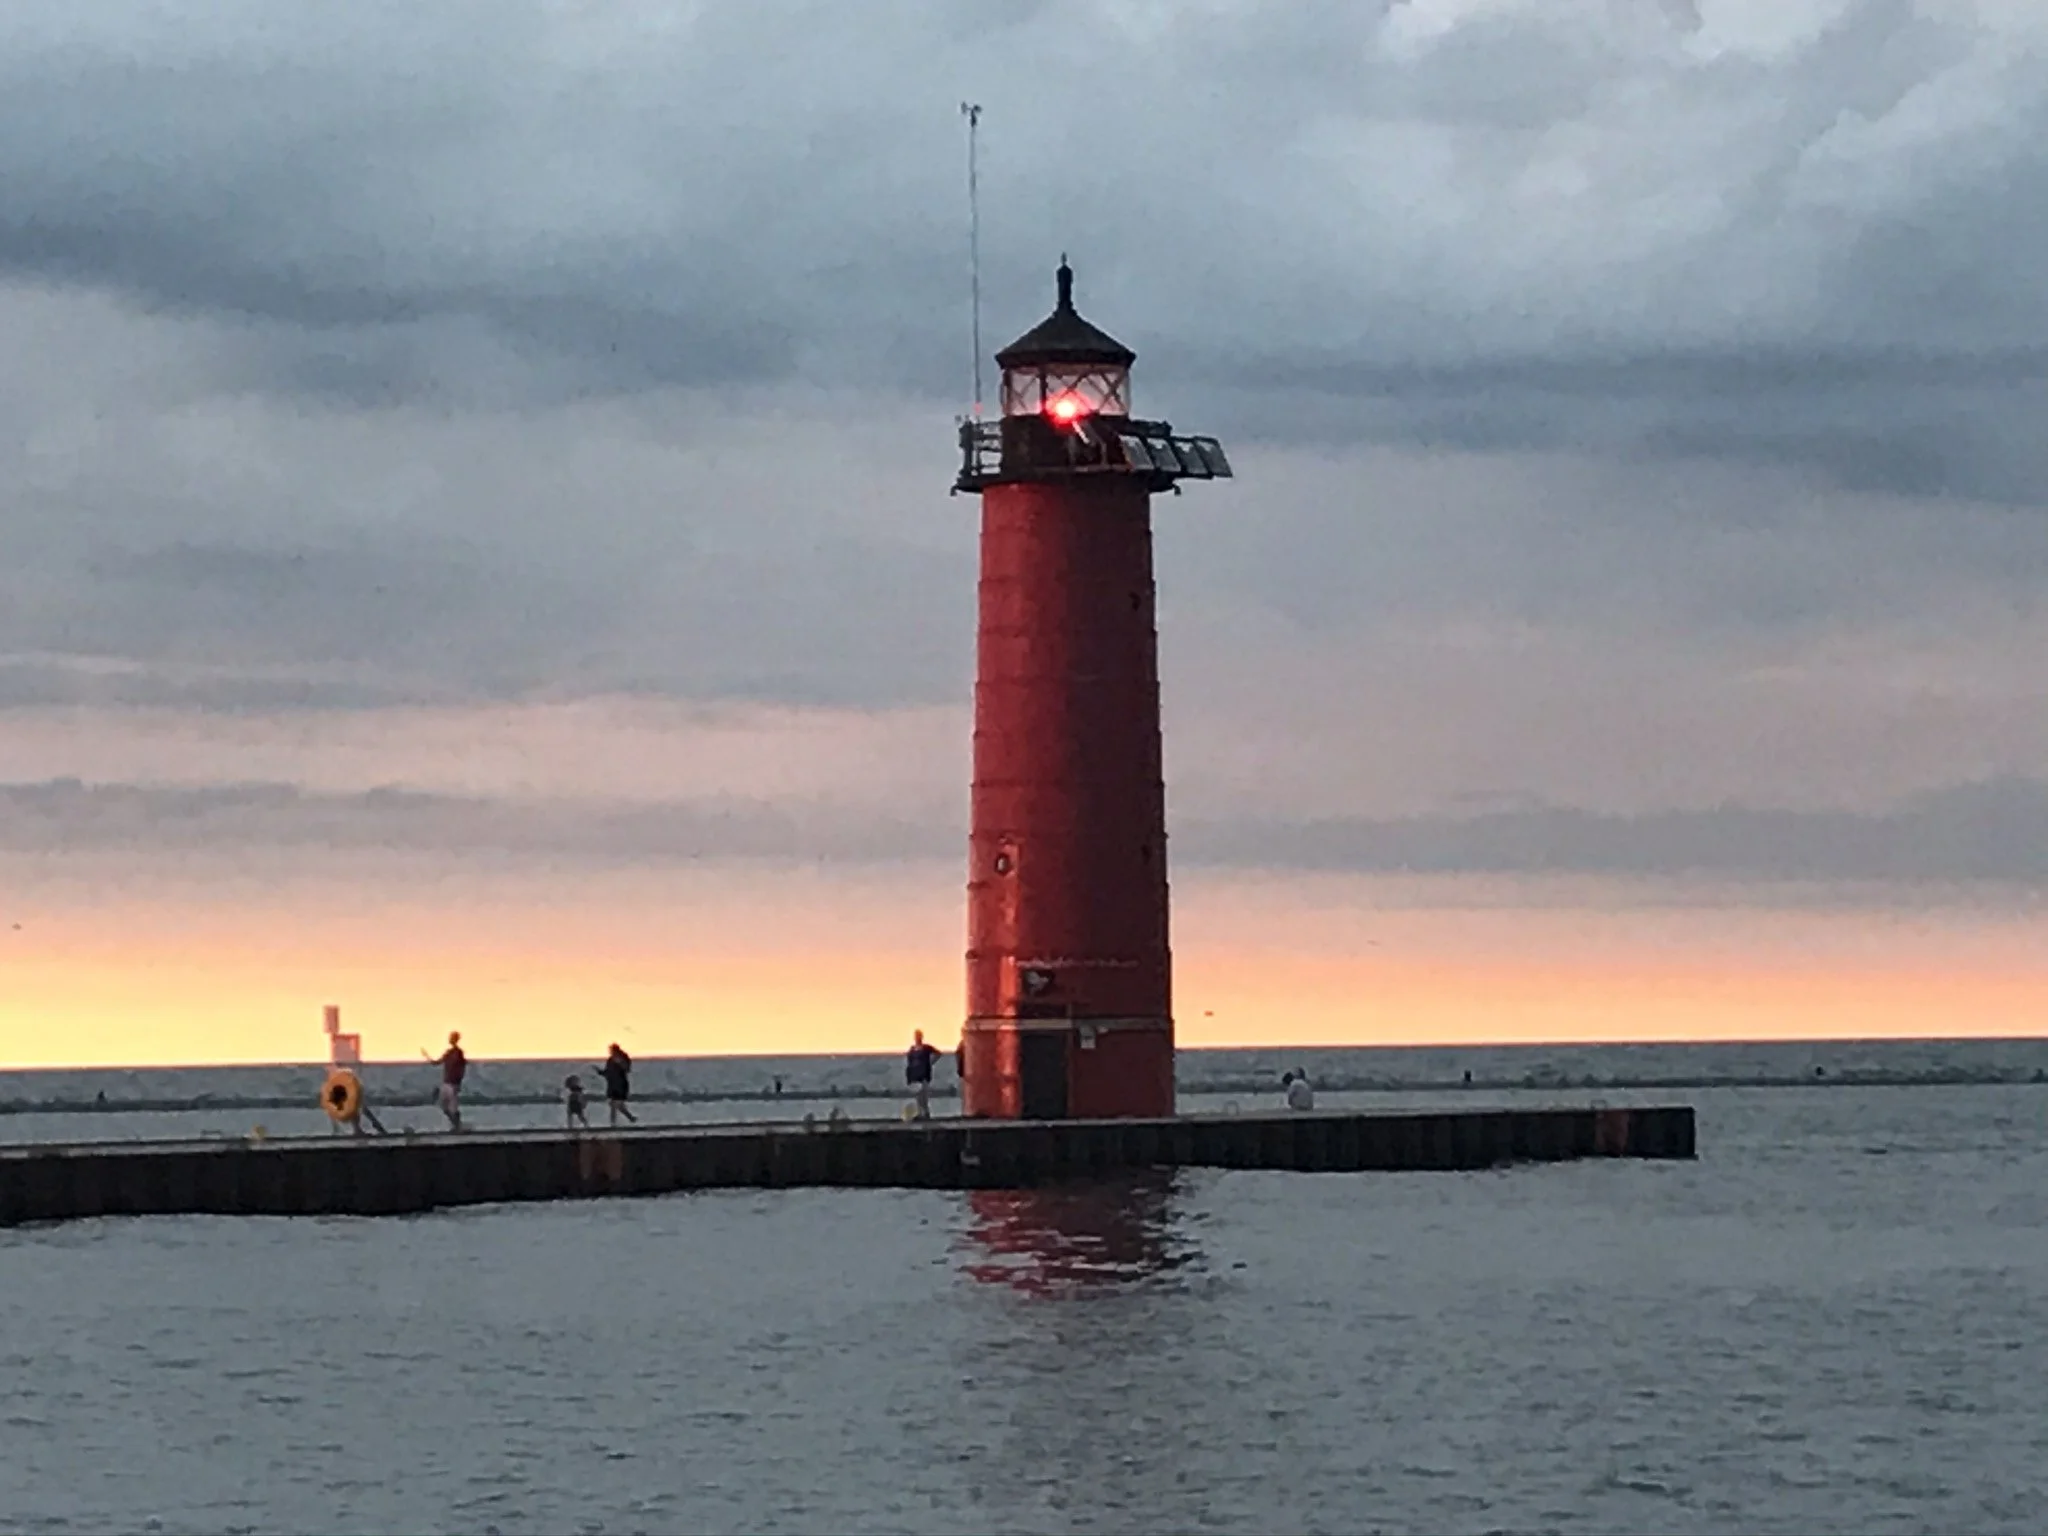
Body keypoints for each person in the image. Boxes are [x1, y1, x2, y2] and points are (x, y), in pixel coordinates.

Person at [905, 1029, 942, 1119]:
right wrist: (909, 1076)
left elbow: (938, 1053)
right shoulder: (912, 1049)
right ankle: (920, 1113)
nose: (917, 1038)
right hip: (914, 1075)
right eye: (916, 1036)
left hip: (924, 1074)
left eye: (919, 1036)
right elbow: (909, 1063)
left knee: (924, 1095)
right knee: (918, 1096)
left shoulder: (926, 1048)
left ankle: (925, 1113)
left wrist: (931, 1062)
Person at [434, 1031, 466, 1131]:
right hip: (446, 1082)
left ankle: (458, 1126)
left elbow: (462, 1067)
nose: (450, 1039)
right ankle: (456, 1124)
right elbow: (437, 1062)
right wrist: (428, 1057)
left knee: (453, 1107)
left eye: (452, 1038)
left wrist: (459, 1081)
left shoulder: (459, 1053)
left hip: (453, 1083)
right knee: (443, 1106)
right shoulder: (448, 1052)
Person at [601, 1043, 636, 1127]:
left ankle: (613, 1123)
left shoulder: (623, 1057)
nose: (610, 1052)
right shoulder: (610, 1060)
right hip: (612, 1084)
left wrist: (620, 1063)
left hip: (621, 1085)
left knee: (614, 1104)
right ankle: (630, 1118)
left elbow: (627, 1069)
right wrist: (600, 1072)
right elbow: (607, 1072)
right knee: (617, 1105)